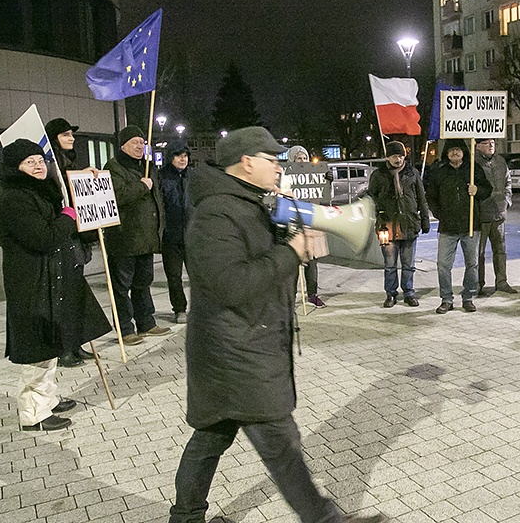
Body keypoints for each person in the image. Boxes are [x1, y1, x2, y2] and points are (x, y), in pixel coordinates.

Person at [169, 126, 387, 523]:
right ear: (247, 162)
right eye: (271, 160)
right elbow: (231, 284)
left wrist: (292, 235)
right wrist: (290, 252)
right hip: (235, 352)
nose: (279, 167)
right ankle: (323, 519)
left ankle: (185, 518)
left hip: (244, 344)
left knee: (211, 438)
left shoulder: (249, 202)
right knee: (281, 443)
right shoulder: (214, 214)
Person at [0, 139, 110, 431]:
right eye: (29, 162)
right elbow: (42, 238)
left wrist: (84, 184)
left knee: (50, 346)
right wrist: (67, 218)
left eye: (39, 160)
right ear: (15, 167)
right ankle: (34, 414)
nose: (37, 166)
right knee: (37, 350)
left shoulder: (41, 193)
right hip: (31, 284)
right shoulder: (14, 198)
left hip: (50, 280)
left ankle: (47, 398)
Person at [104, 125, 170, 345]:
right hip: (123, 238)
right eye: (135, 142)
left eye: (142, 143)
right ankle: (125, 328)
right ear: (123, 145)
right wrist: (142, 186)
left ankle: (146, 322)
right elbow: (116, 196)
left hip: (145, 238)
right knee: (121, 286)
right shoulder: (113, 167)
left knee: (143, 282)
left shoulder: (147, 167)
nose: (140, 147)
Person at [45, 117, 99, 366]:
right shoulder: (50, 165)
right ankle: (64, 348)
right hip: (61, 237)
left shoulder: (70, 161)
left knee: (76, 293)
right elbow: (61, 190)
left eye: (71, 134)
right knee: (63, 297)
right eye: (66, 135)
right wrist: (78, 177)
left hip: (76, 235)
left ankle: (75, 343)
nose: (71, 138)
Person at [425, 139, 492, 314]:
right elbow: (431, 197)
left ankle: (468, 297)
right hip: (448, 227)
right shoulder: (439, 172)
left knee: (472, 264)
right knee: (443, 265)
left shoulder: (473, 170)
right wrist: (440, 214)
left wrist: (477, 190)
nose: (455, 153)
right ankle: (446, 299)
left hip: (470, 225)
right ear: (446, 153)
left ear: (464, 152)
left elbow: (487, 190)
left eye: (458, 150)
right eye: (451, 150)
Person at [367, 141, 431, 308]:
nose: (398, 159)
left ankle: (409, 292)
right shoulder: (378, 175)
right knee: (390, 265)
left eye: (401, 155)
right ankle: (391, 294)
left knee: (409, 264)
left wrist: (425, 219)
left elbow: (421, 198)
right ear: (388, 157)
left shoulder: (412, 173)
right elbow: (370, 198)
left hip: (409, 224)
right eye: (395, 155)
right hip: (386, 225)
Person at [286, 145, 328, 308]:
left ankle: (312, 294)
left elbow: (322, 198)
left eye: (304, 158)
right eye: (298, 158)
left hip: (311, 221)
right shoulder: (286, 177)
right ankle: (290, 296)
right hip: (293, 222)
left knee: (312, 261)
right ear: (292, 160)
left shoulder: (314, 176)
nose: (302, 161)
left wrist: (326, 183)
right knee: (292, 262)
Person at [474, 138, 517, 295]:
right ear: (478, 146)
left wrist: (507, 200)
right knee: (479, 252)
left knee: (500, 250)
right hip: (481, 213)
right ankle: (478, 283)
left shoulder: (500, 161)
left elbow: (508, 182)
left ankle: (501, 281)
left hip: (499, 212)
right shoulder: (473, 162)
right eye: (487, 143)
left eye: (493, 142)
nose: (491, 145)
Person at [161, 141, 193, 324]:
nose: (183, 159)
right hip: (171, 235)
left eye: (185, 155)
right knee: (174, 276)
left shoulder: (193, 177)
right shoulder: (162, 177)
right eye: (178, 155)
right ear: (170, 157)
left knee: (197, 275)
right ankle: (179, 308)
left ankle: (199, 308)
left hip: (191, 234)